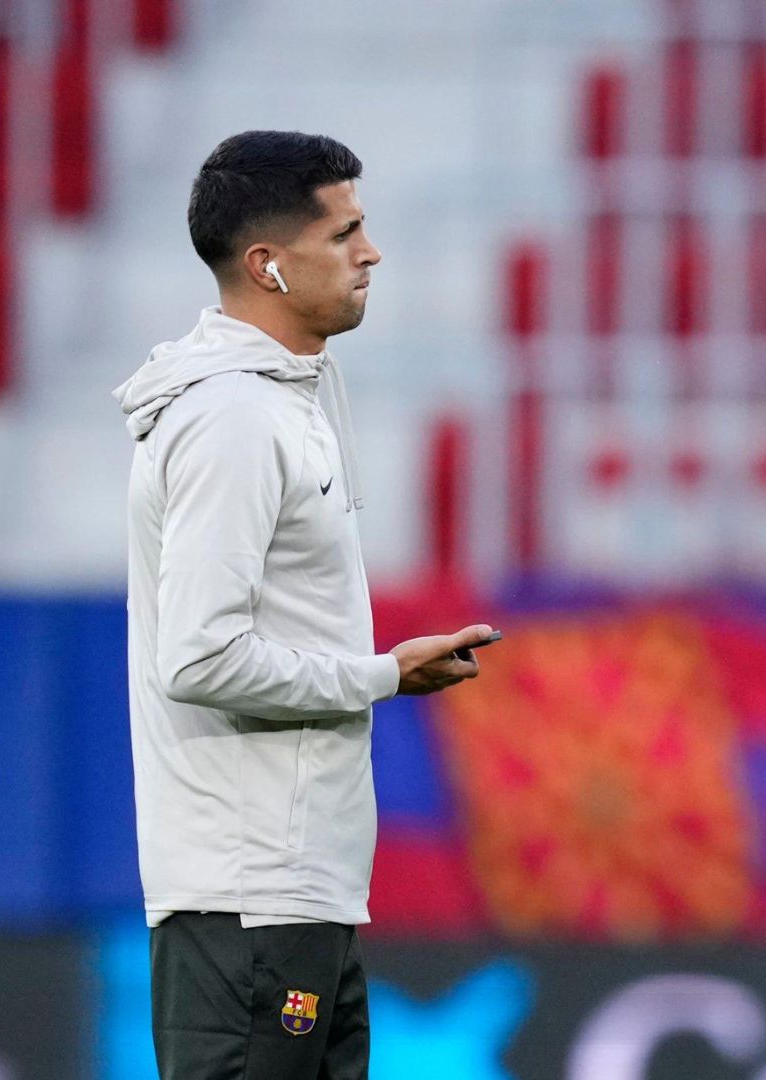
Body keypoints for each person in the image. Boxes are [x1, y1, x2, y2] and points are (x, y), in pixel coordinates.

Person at [114, 130, 494, 1080]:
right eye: (345, 232)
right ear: (268, 266)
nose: (370, 253)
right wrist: (380, 674)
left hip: (295, 895)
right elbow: (198, 657)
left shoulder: (287, 399)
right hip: (247, 902)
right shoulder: (233, 420)